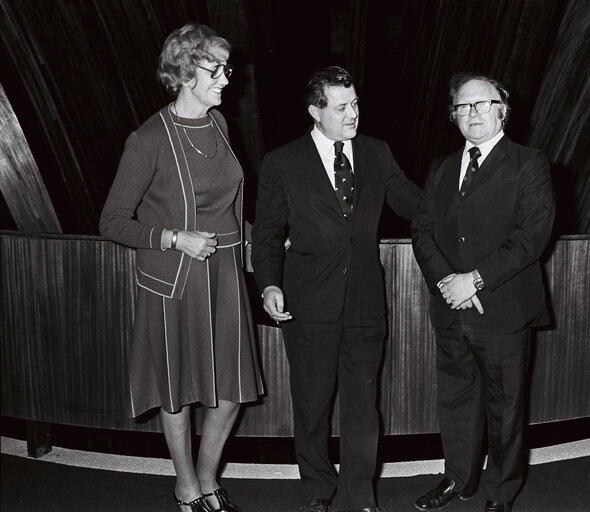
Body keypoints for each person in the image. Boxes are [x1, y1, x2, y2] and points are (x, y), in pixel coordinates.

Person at [100, 23, 262, 512]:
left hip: (227, 276)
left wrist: (259, 240)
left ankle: (209, 479)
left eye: (226, 69)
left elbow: (229, 204)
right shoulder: (148, 138)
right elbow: (111, 221)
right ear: (187, 72)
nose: (226, 80)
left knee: (233, 388)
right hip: (175, 280)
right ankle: (187, 485)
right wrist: (173, 237)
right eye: (217, 70)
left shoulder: (218, 124)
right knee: (179, 391)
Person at [250, 66, 420, 512]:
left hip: (365, 303)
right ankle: (317, 489)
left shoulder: (377, 153)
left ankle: (360, 494)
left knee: (364, 406)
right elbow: (267, 234)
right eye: (342, 107)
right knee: (313, 404)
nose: (354, 114)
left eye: (356, 103)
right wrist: (268, 284)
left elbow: (415, 205)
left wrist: (463, 196)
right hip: (307, 304)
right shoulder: (281, 162)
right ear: (315, 111)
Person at [410, 73, 555, 512]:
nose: (470, 114)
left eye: (480, 104)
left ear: (502, 109)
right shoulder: (441, 167)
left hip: (502, 310)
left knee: (505, 411)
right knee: (456, 403)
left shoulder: (530, 163)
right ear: (453, 116)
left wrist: (472, 280)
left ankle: (501, 494)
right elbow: (422, 230)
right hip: (452, 309)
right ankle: (458, 479)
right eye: (461, 107)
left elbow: (532, 237)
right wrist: (446, 283)